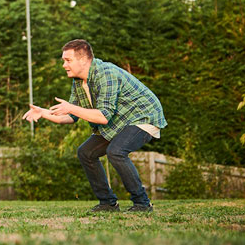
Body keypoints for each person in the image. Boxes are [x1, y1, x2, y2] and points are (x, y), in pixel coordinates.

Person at [23, 39, 166, 213]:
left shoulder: (106, 74)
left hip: (144, 116)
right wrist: (43, 113)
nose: (64, 65)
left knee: (116, 151)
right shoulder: (78, 81)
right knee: (86, 152)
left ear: (83, 60)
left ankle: (142, 203)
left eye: (68, 60)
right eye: (63, 61)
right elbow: (71, 115)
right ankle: (108, 203)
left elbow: (104, 117)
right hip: (119, 121)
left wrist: (71, 107)